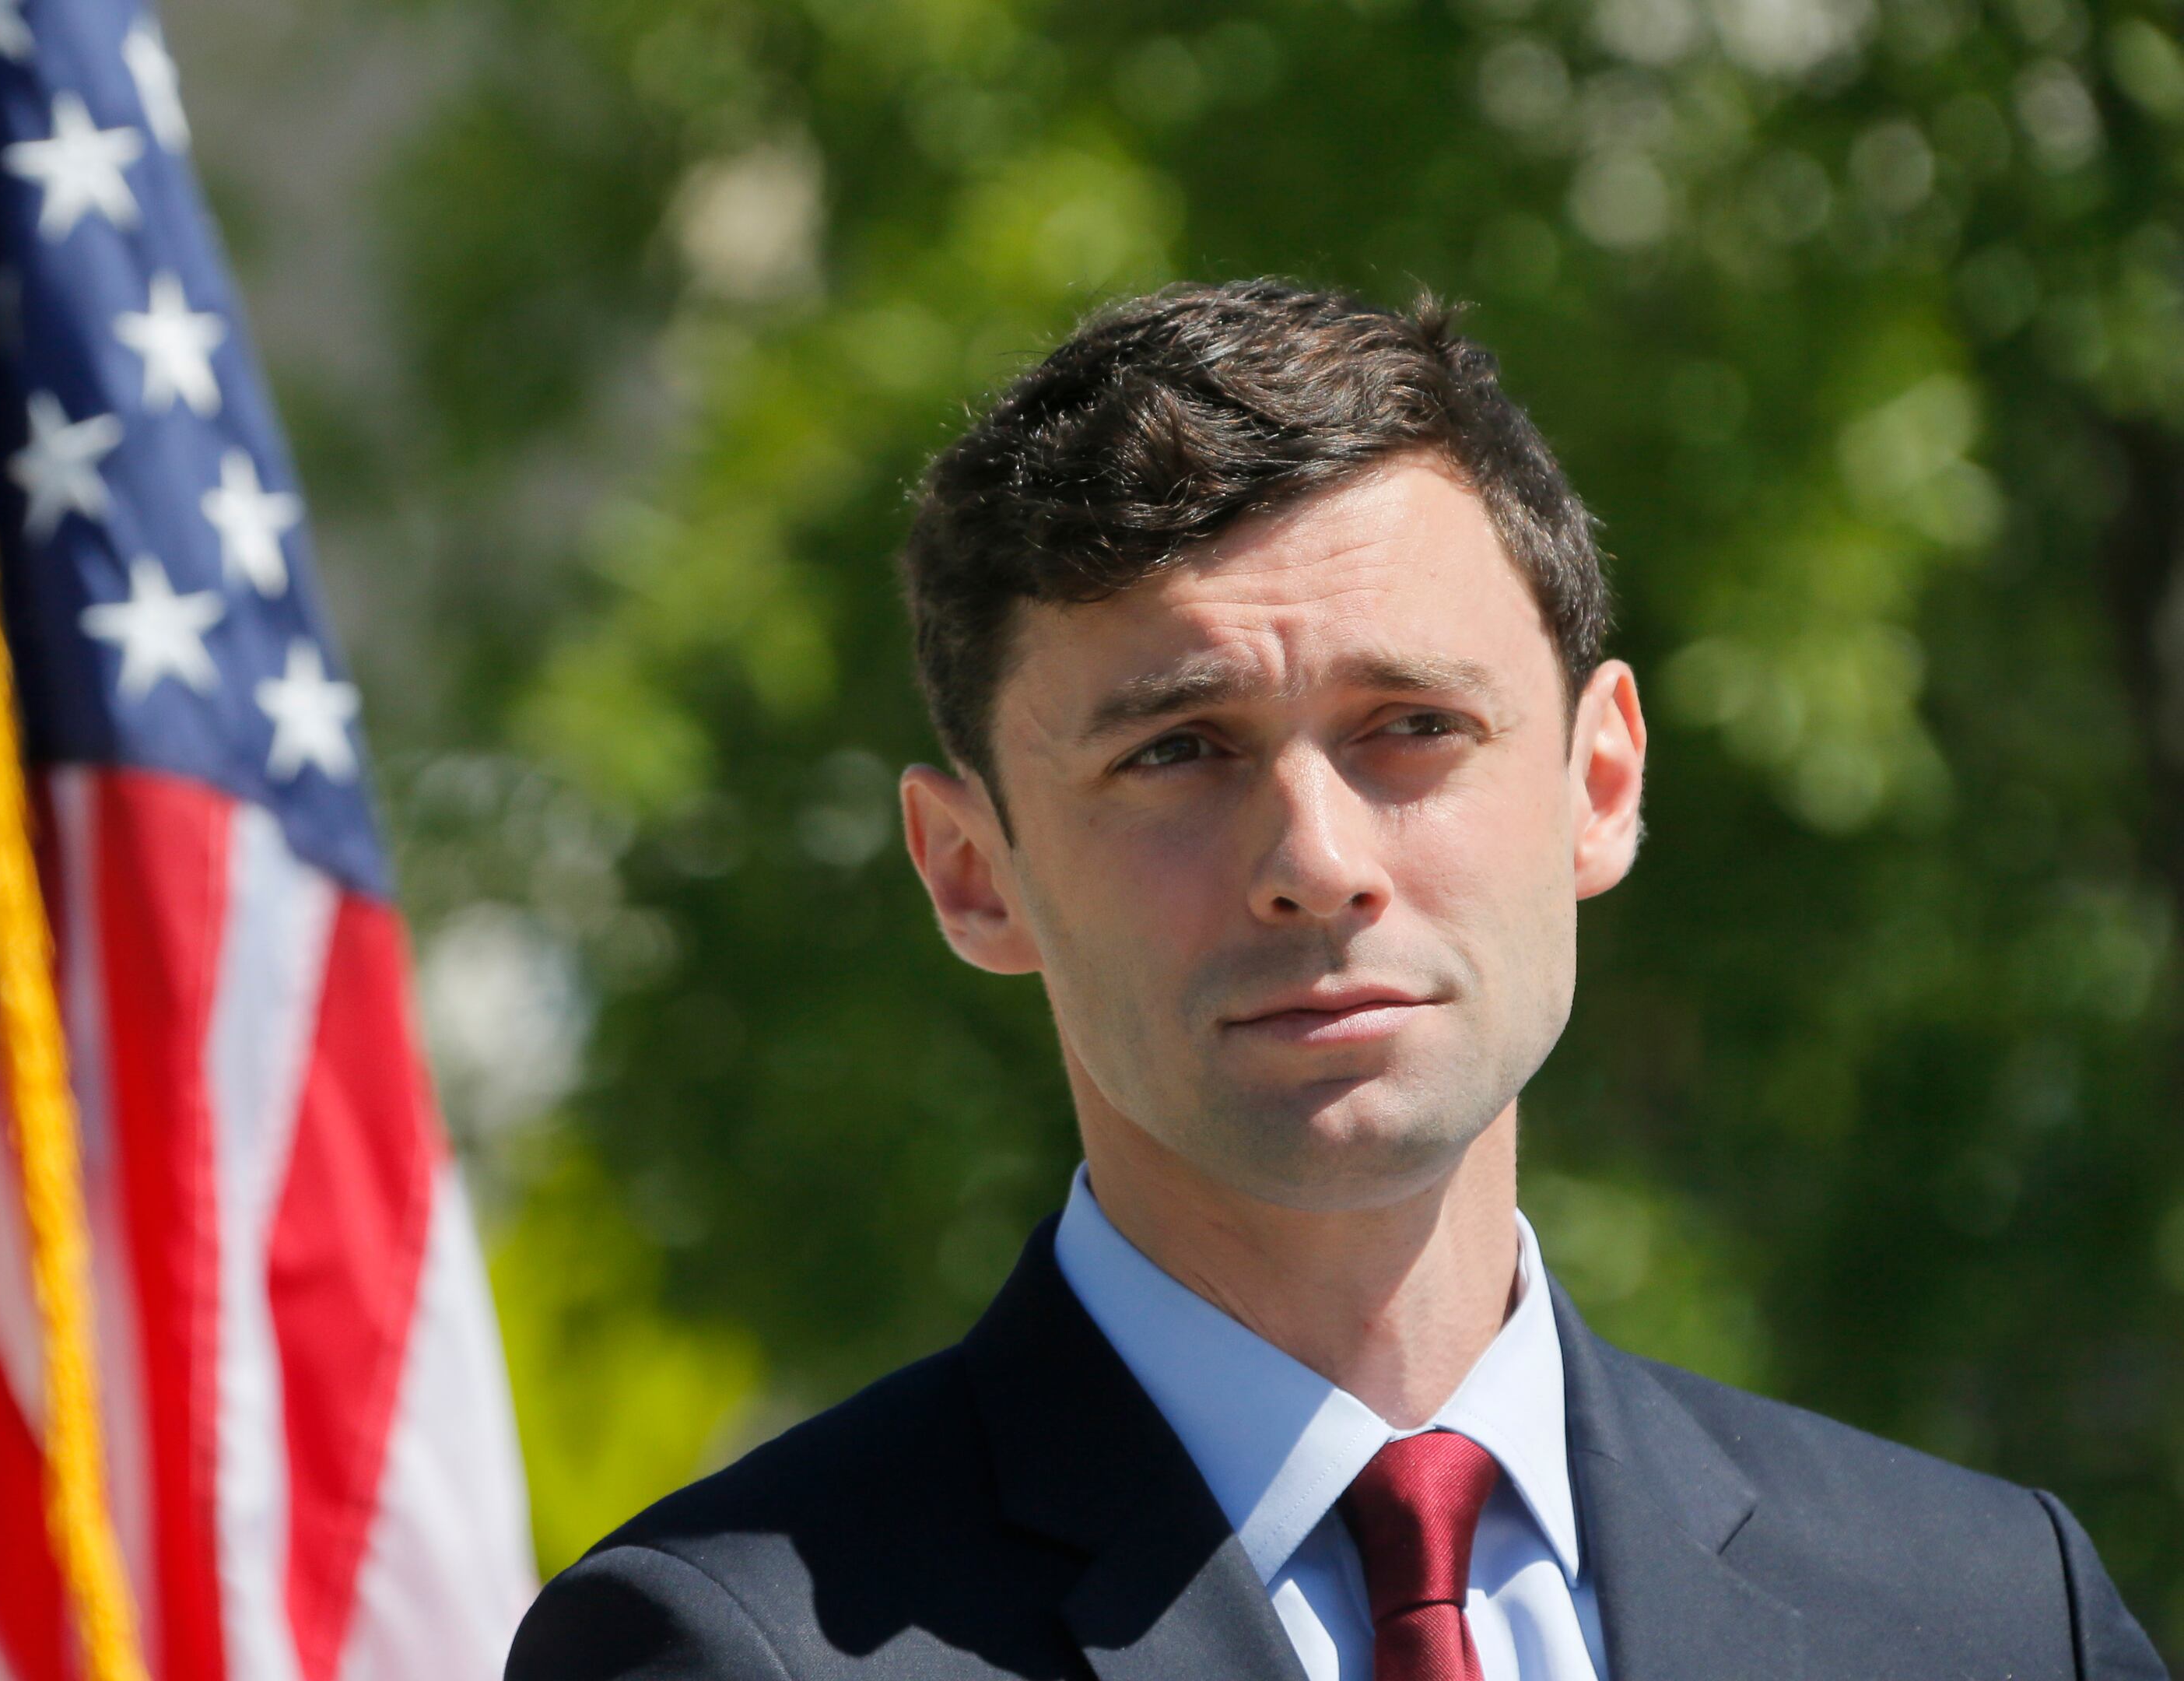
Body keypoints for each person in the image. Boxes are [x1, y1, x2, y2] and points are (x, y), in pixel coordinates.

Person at [503, 280, 2171, 1681]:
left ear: (1599, 784)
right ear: (971, 872)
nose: (1315, 857)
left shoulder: (1988, 1615)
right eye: (1178, 750)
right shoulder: (730, 1650)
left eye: (1413, 726)